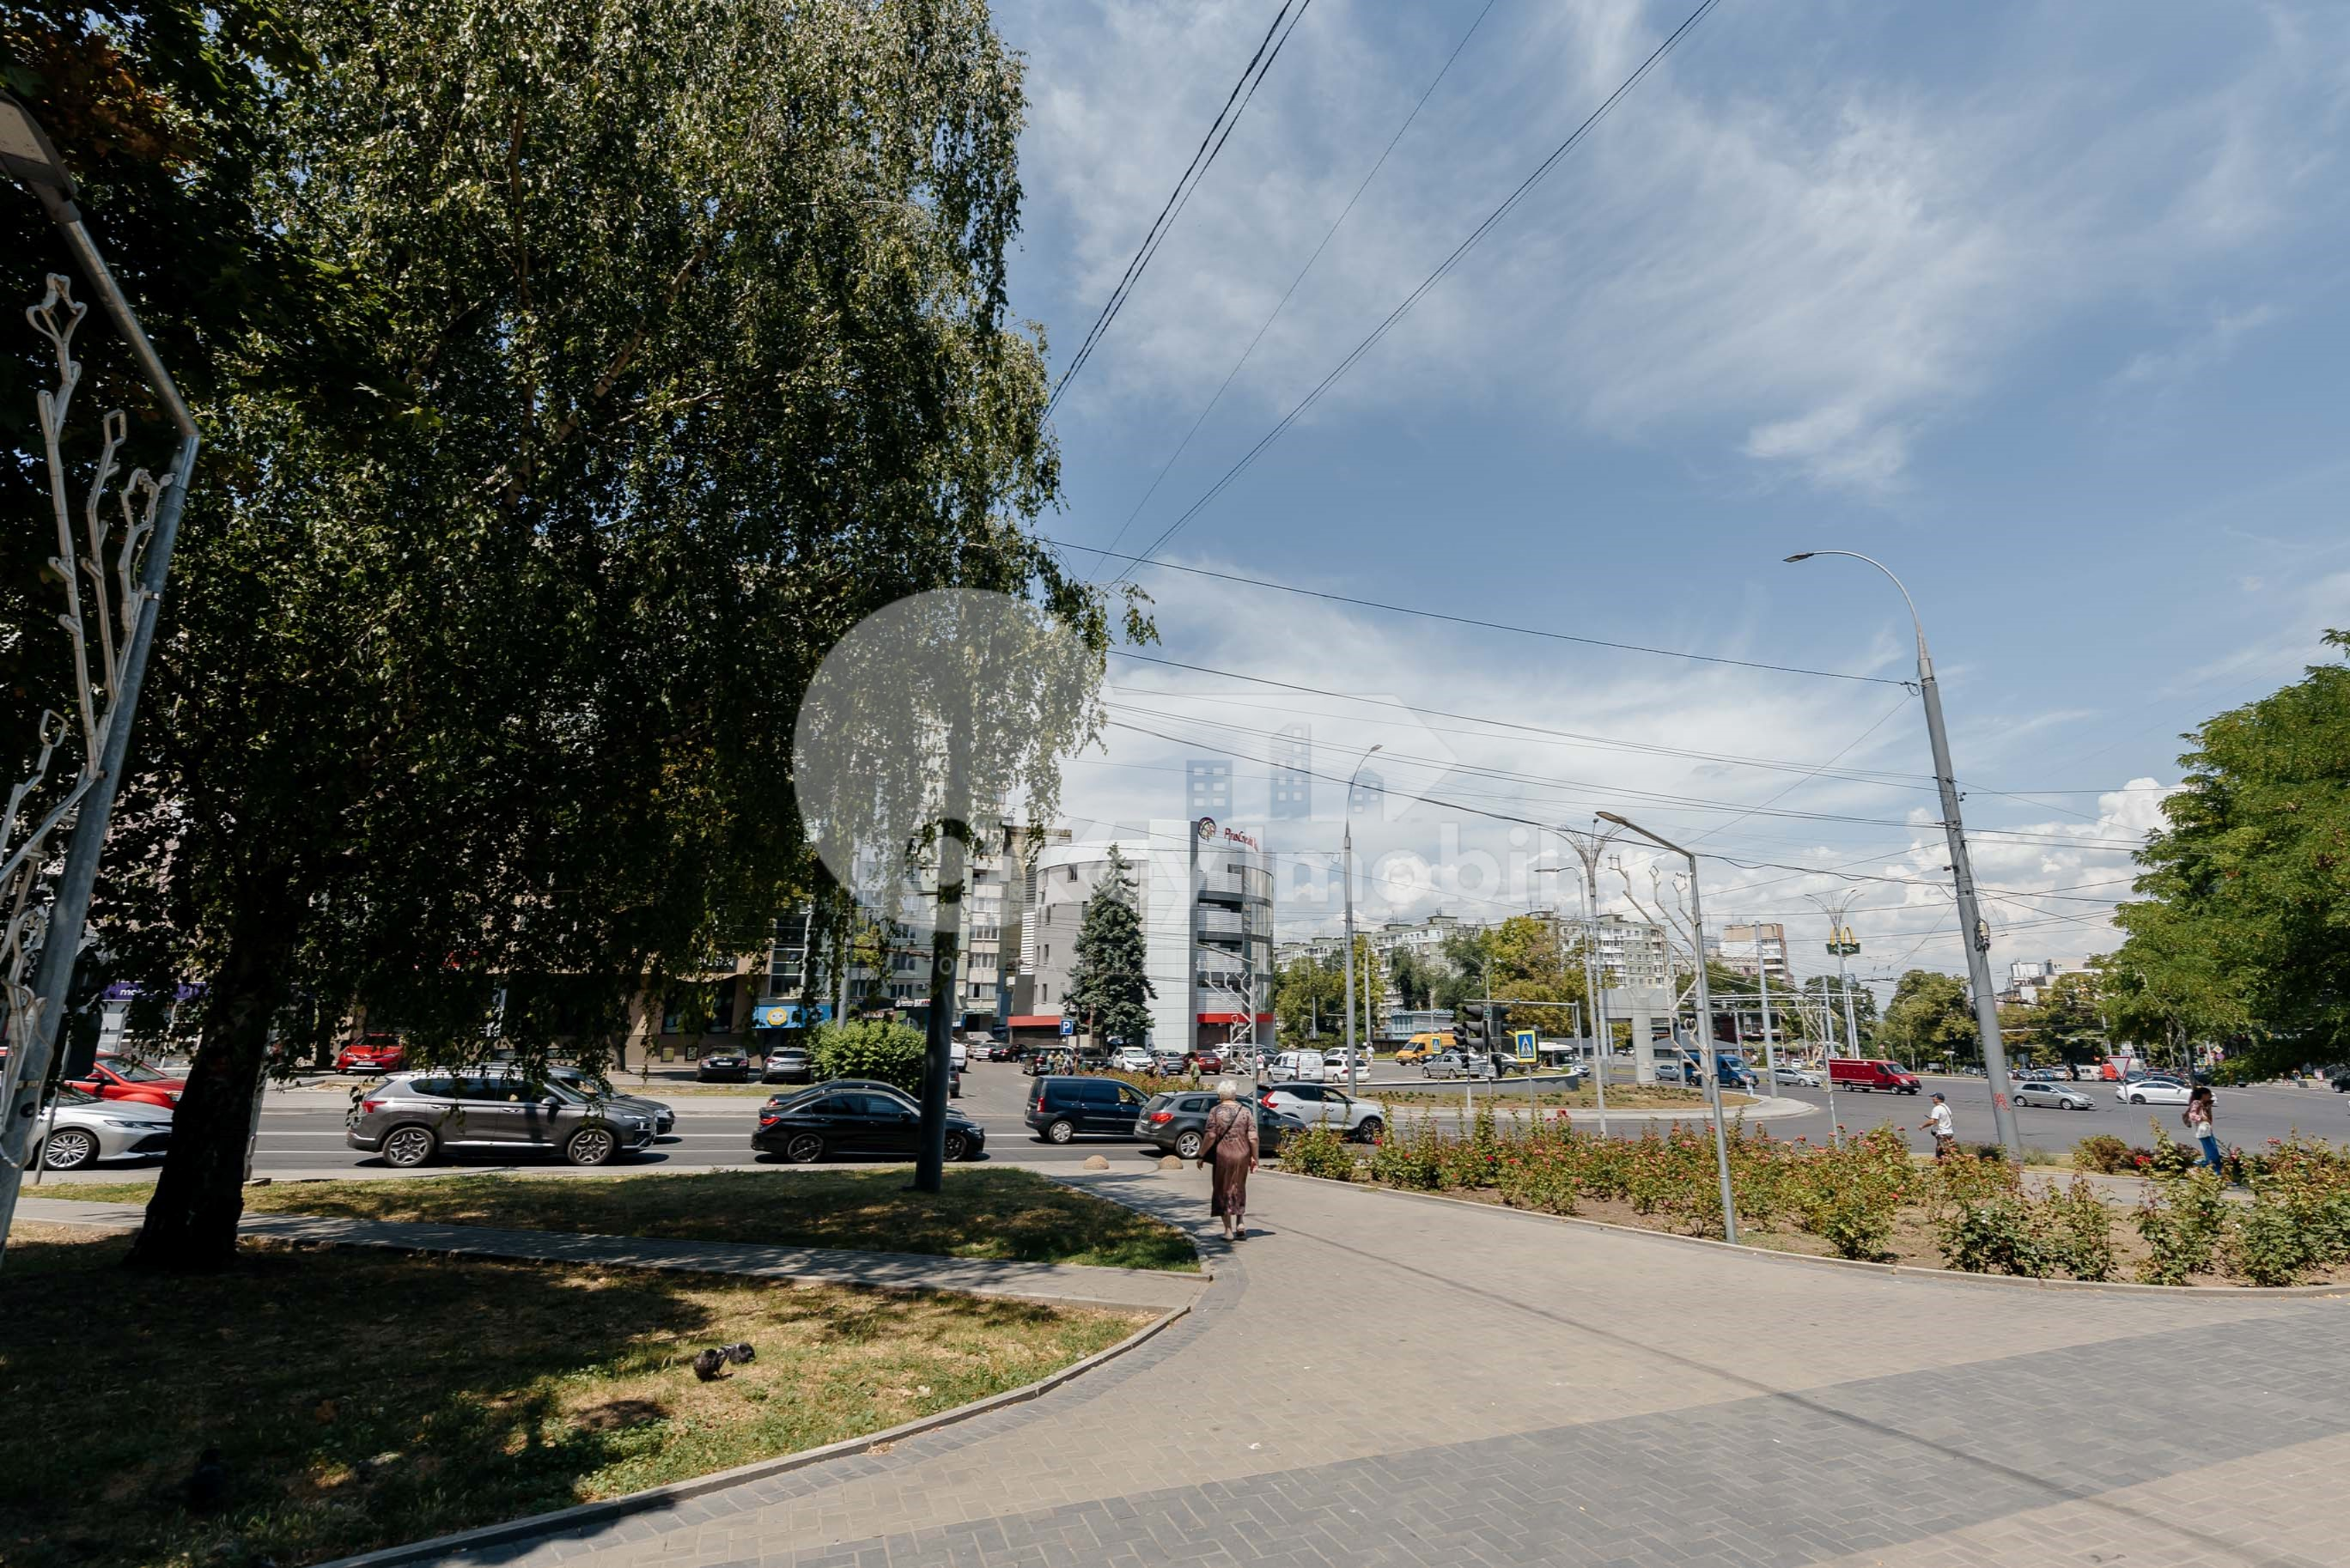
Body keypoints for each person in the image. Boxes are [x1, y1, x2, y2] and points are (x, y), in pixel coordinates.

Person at [1197, 1078, 1259, 1241]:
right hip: (1243, 1155)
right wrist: (1255, 1158)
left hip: (1223, 1155)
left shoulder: (1215, 1111)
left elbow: (1210, 1135)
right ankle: (1240, 1223)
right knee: (1239, 1187)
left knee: (1222, 1190)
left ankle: (1228, 1231)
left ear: (1220, 1094)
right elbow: (1253, 1138)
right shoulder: (1246, 1111)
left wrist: (1201, 1155)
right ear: (1234, 1094)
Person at [2185, 1085, 2223, 1175]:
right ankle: (2214, 1171)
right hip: (2203, 1131)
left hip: (2207, 1130)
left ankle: (2211, 1169)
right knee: (2212, 1152)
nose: (2211, 1096)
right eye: (2209, 1094)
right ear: (2203, 1095)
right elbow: (2192, 1116)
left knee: (2212, 1151)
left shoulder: (2205, 1104)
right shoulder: (2196, 1103)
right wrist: (2202, 1118)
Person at [1921, 1091, 1957, 1160]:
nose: (1932, 1099)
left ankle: (1941, 1164)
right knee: (1948, 1149)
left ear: (1938, 1099)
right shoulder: (1946, 1108)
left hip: (1942, 1133)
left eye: (1934, 1098)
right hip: (1949, 1132)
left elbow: (1933, 1121)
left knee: (1941, 1151)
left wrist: (1922, 1126)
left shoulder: (1937, 1108)